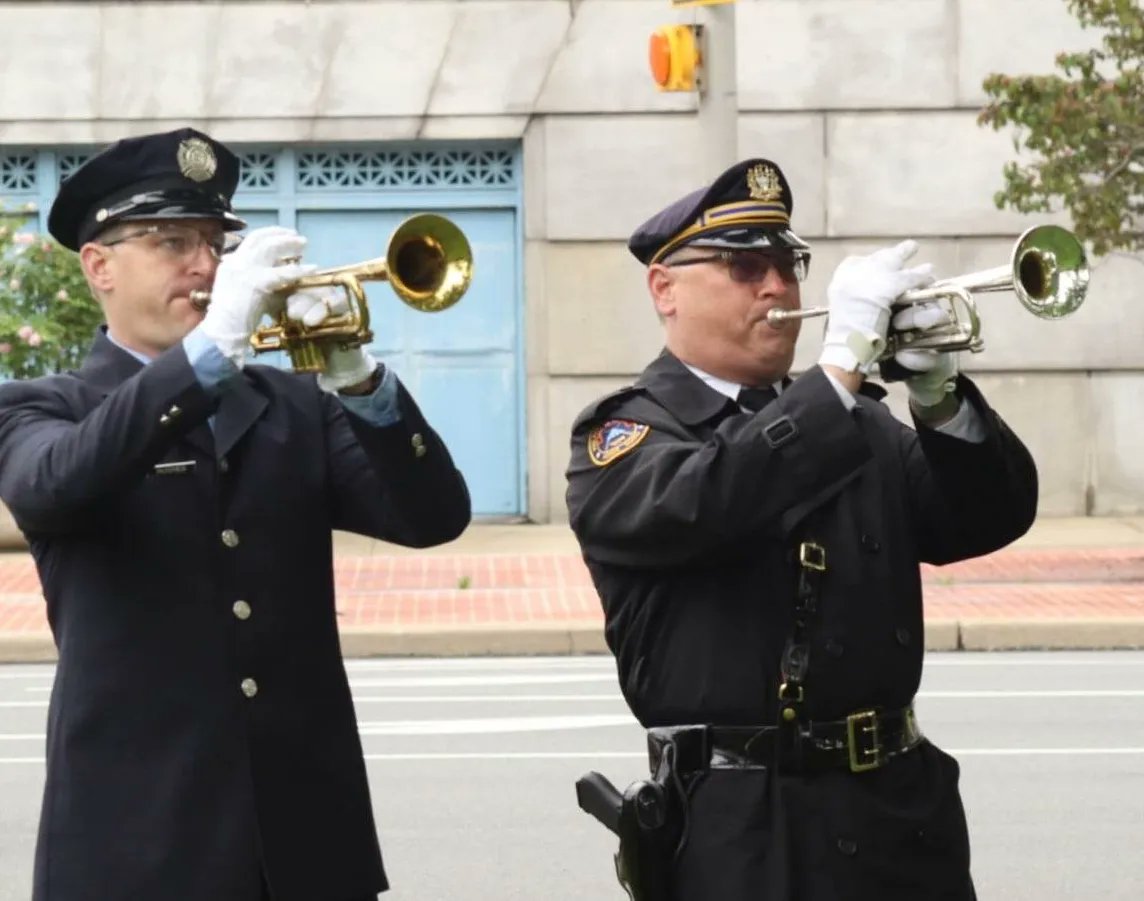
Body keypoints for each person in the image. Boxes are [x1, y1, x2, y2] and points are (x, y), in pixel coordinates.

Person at [0, 128, 471, 901]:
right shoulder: (42, 409)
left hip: (309, 843)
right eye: (170, 242)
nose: (204, 264)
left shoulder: (292, 404)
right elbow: (58, 485)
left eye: (215, 242)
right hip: (140, 846)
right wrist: (215, 348)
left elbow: (431, 516)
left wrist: (361, 381)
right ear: (99, 266)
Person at [565, 158, 1038, 901]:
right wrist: (840, 372)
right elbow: (711, 498)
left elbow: (986, 518)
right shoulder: (625, 436)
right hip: (750, 832)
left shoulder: (858, 422)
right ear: (665, 288)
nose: (777, 287)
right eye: (745, 266)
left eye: (789, 264)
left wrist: (940, 398)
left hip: (899, 817)